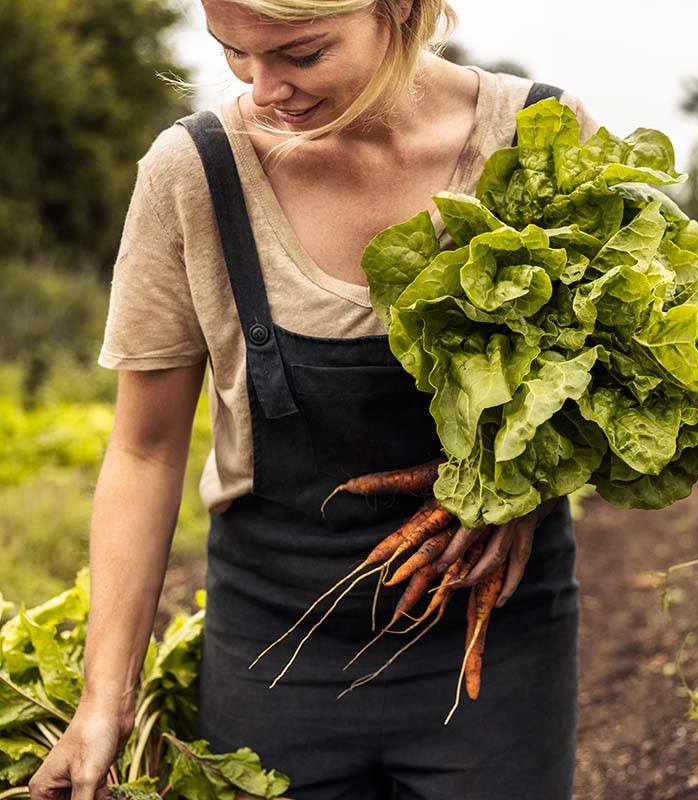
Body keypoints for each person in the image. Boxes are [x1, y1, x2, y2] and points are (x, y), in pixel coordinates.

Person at [29, 1, 599, 798]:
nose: (267, 90)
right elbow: (144, 448)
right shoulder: (194, 172)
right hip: (273, 649)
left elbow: (617, 386)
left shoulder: (538, 137)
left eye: (302, 53)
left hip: (492, 644)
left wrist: (521, 491)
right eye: (235, 53)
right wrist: (102, 700)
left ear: (396, 7)